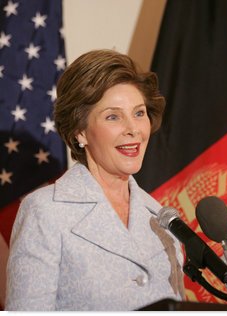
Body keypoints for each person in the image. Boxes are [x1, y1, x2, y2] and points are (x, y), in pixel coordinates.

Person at [5, 49, 185, 311]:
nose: (133, 129)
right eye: (113, 116)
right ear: (80, 131)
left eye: (139, 113)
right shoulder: (44, 212)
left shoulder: (161, 218)